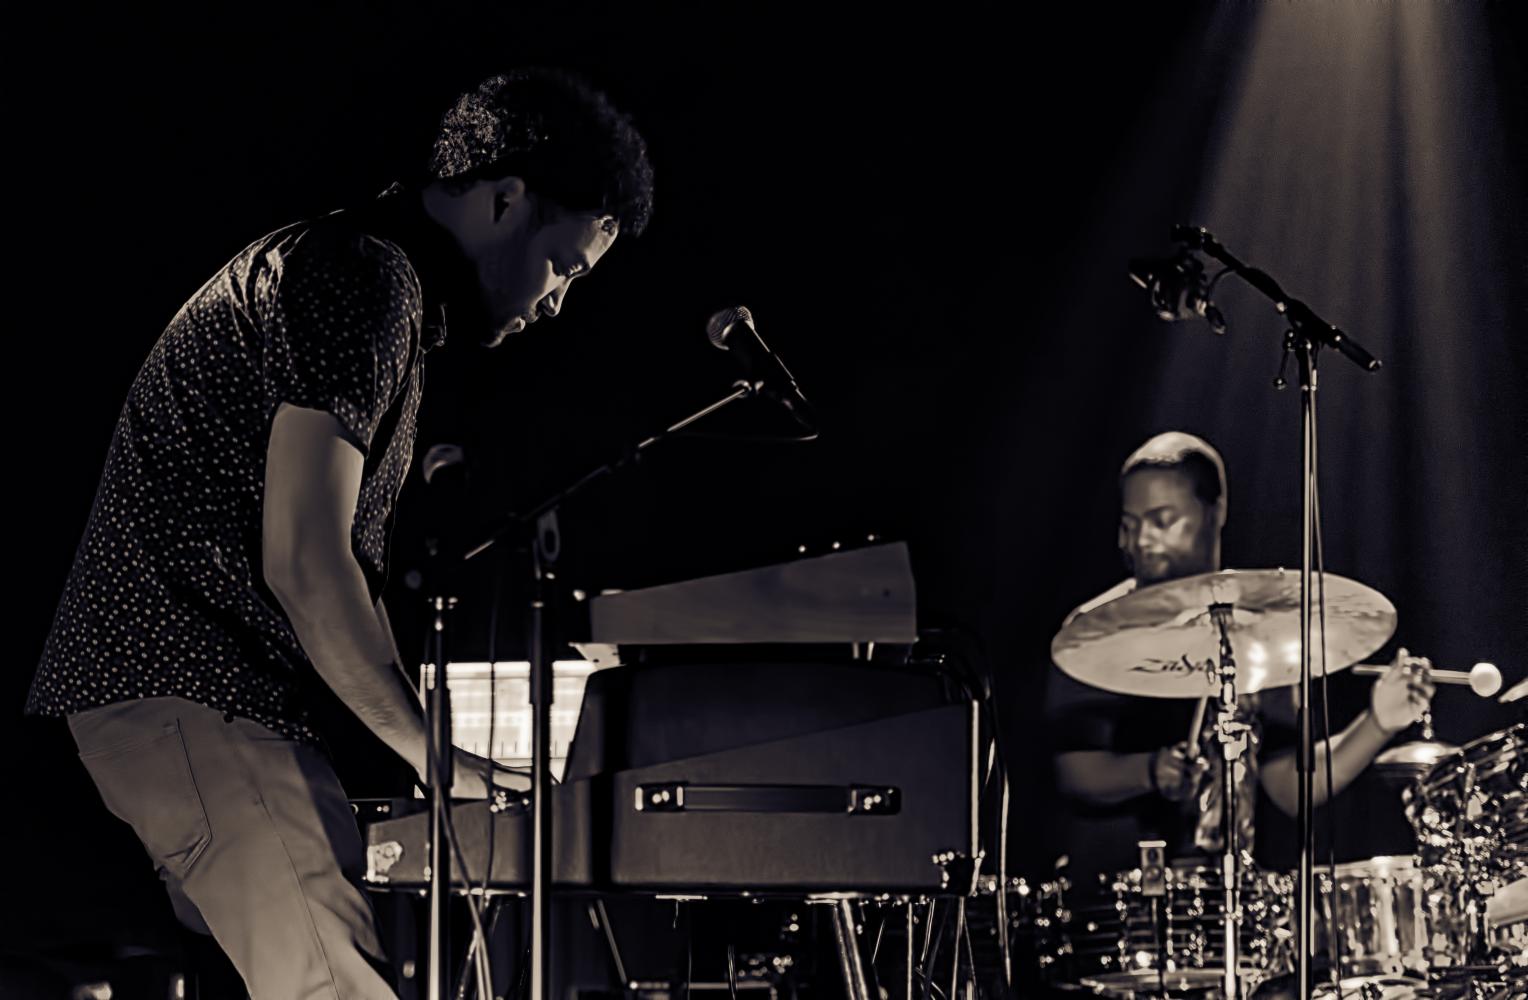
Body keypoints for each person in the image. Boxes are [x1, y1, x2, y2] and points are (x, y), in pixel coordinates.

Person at [24, 68, 655, 999]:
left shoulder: (357, 274)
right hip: (190, 690)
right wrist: (434, 755)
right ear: (507, 198)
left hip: (185, 695)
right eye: (564, 268)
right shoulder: (363, 278)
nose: (557, 303)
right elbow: (307, 563)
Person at [1041, 432, 1435, 982]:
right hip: (1117, 917)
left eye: (1161, 518)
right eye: (1130, 523)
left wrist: (1379, 722)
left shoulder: (1259, 636)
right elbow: (1074, 771)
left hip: (1232, 918)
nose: (1138, 541)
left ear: (1215, 512)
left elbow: (1288, 786)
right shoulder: (1096, 632)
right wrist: (1152, 770)